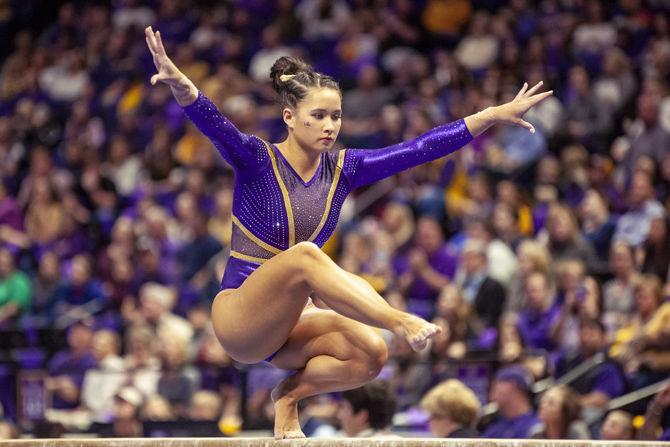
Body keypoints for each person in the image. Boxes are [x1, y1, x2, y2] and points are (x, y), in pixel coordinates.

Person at [145, 25, 552, 439]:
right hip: (240, 319)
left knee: (370, 353)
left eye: (336, 115)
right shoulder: (257, 160)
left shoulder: (343, 170)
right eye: (318, 115)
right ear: (290, 117)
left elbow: (418, 149)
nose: (329, 126)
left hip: (289, 329)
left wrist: (490, 116)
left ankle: (287, 398)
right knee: (306, 256)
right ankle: (399, 319)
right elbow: (215, 125)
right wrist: (182, 85)